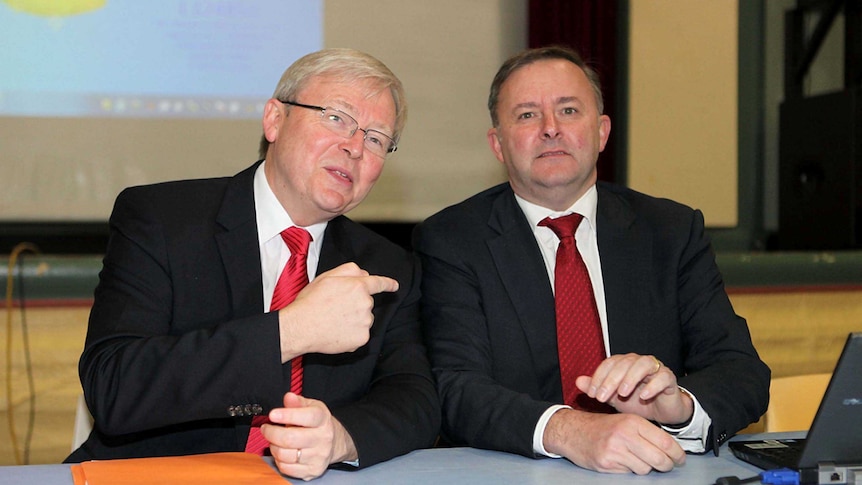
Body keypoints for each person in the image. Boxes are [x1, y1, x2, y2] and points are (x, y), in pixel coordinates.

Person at [65, 48, 440, 481]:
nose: (354, 147)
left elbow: (416, 399)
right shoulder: (162, 220)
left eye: (375, 138)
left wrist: (342, 437)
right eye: (336, 117)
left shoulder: (388, 266)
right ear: (274, 120)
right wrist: (290, 331)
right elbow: (114, 386)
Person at [412, 46, 770, 475]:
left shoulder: (671, 230)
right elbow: (454, 388)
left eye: (568, 110)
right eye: (527, 115)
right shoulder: (452, 240)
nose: (550, 129)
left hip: (652, 472)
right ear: (498, 144)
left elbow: (742, 371)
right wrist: (570, 431)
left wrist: (679, 406)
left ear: (601, 132)